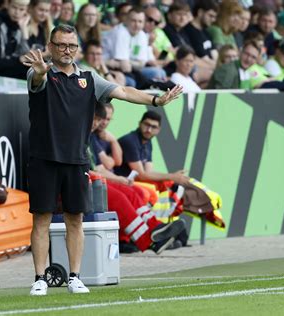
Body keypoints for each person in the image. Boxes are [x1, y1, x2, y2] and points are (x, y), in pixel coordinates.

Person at [22, 24, 183, 296]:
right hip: (44, 158)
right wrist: (40, 73)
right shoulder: (40, 73)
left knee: (76, 220)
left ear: (77, 48)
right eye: (61, 45)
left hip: (76, 160)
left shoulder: (89, 78)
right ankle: (40, 278)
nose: (66, 50)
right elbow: (36, 81)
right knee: (42, 220)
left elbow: (123, 92)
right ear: (50, 47)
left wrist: (156, 100)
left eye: (72, 46)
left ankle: (74, 276)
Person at [89, 102, 185, 254]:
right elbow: (139, 173)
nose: (100, 123)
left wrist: (113, 142)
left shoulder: (90, 136)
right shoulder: (126, 140)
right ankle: (149, 242)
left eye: (104, 119)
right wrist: (173, 176)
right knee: (123, 197)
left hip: (97, 180)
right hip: (84, 183)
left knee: (135, 193)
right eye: (98, 118)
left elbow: (104, 167)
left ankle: (155, 228)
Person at [113, 110, 190, 186]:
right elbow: (142, 175)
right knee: (152, 190)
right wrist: (172, 176)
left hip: (131, 181)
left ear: (158, 130)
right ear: (140, 123)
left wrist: (172, 177)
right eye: (147, 124)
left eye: (154, 127)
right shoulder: (130, 141)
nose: (149, 130)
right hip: (117, 181)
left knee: (167, 184)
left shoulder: (148, 142)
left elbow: (149, 173)